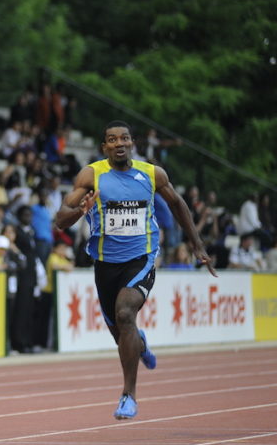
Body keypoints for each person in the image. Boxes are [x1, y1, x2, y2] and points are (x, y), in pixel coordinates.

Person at [54, 120, 216, 421]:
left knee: (126, 312)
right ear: (105, 147)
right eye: (112, 139)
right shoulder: (92, 174)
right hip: (105, 263)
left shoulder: (152, 174)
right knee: (120, 332)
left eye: (124, 138)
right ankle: (139, 344)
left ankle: (129, 395)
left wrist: (197, 244)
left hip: (141, 257)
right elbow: (60, 220)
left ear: (132, 143)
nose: (119, 143)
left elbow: (179, 204)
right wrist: (82, 210)